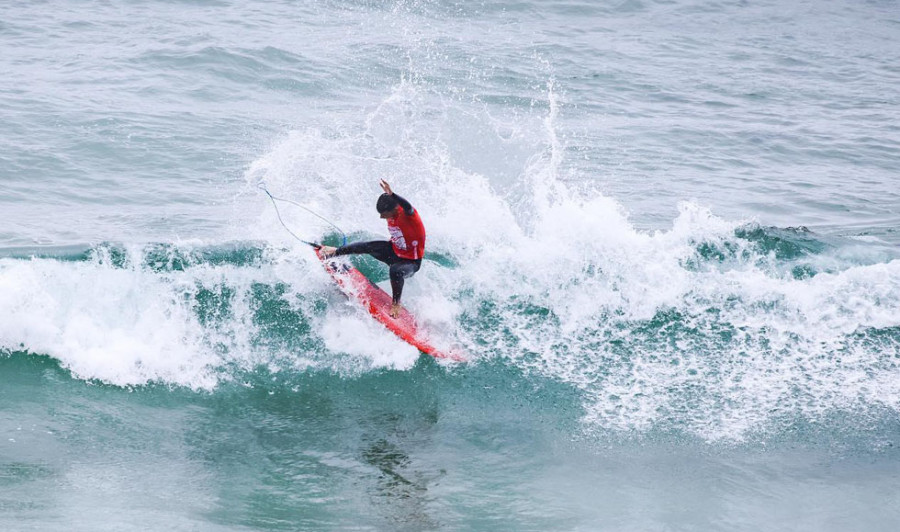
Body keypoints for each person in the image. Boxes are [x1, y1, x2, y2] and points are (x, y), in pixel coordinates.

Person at [320, 180, 426, 318]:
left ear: (394, 209)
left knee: (395, 271)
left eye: (384, 213)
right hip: (393, 252)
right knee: (367, 245)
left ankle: (396, 303)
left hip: (411, 262)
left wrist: (392, 194)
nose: (381, 217)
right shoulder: (391, 213)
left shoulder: (409, 216)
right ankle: (335, 251)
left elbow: (408, 206)